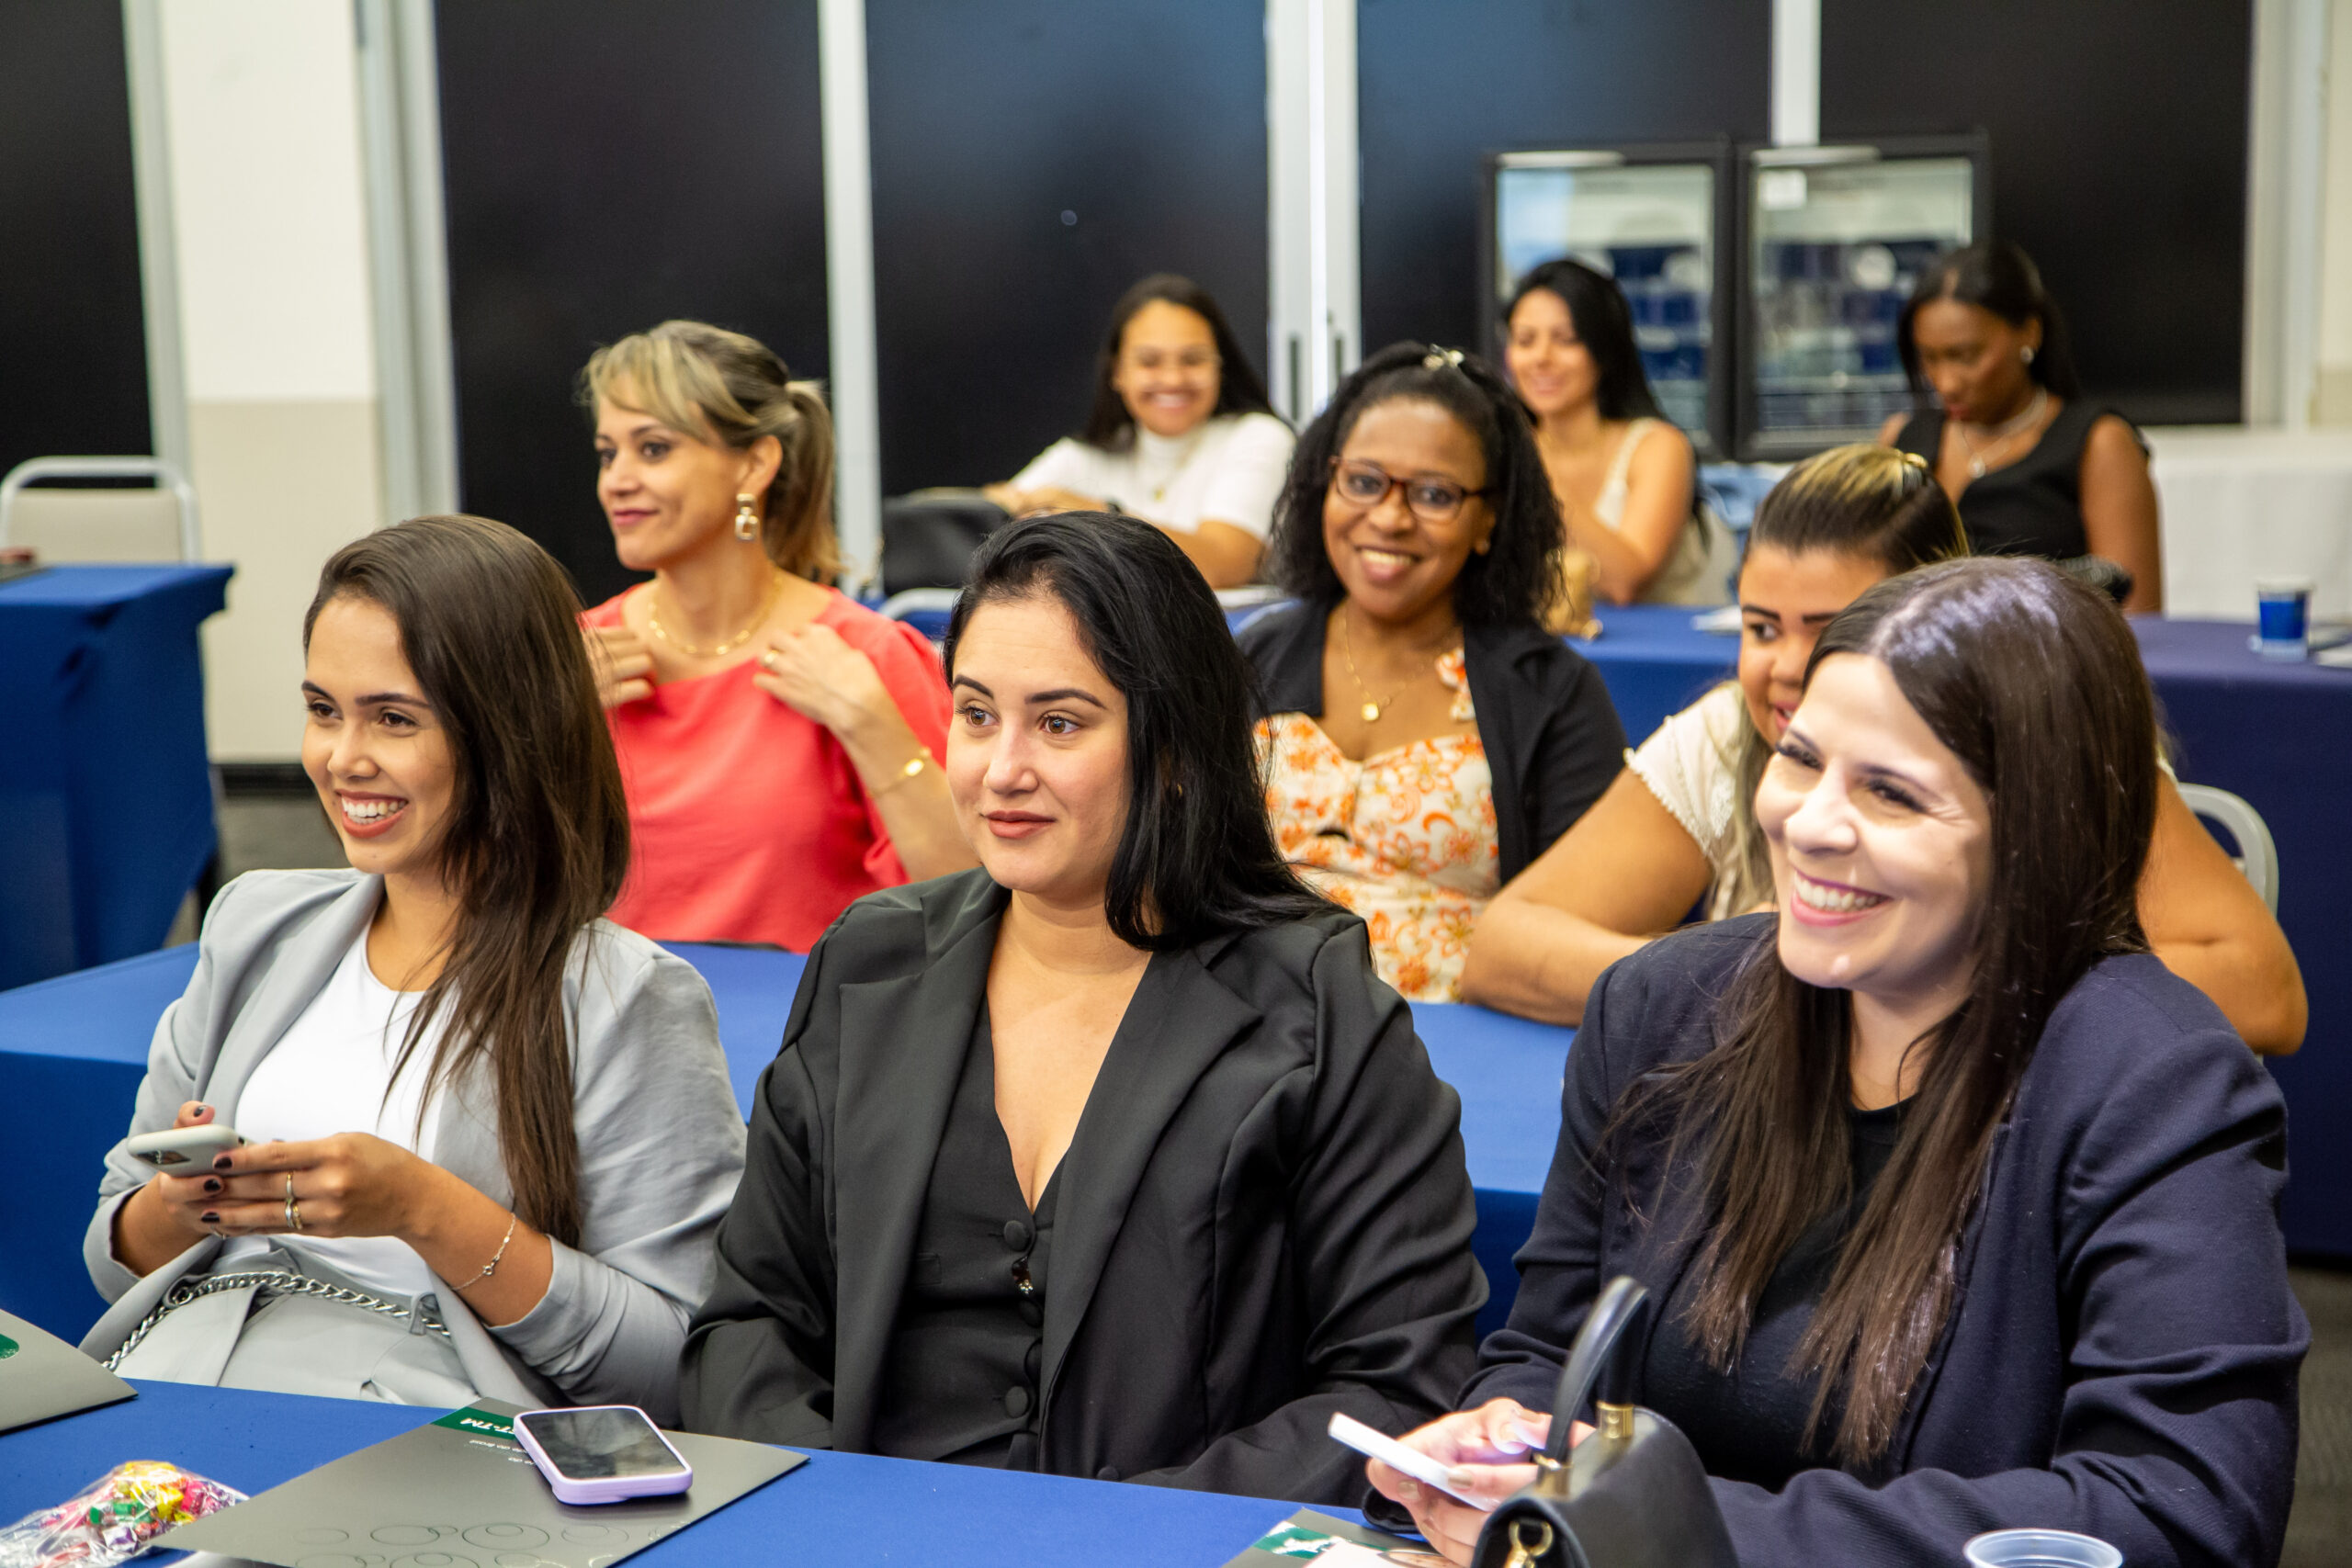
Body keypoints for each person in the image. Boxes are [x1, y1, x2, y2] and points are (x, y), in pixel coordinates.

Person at [1372, 558, 2305, 1568]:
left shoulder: (2154, 1084)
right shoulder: (1659, 1010)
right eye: (1798, 758)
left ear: (2038, 830)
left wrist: (1659, 1528)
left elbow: (2175, 1514)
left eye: (1893, 794)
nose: (1809, 823)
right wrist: (1500, 1441)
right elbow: (1549, 1355)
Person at [679, 513, 1486, 1503]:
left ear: (1178, 748)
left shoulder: (1317, 1013)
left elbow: (1400, 1387)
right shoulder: (867, 960)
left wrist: (1125, 1543)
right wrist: (832, 1516)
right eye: (975, 715)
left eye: (1058, 723)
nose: (1000, 770)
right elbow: (749, 1322)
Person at [83, 516, 745, 1421]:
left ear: (507, 731)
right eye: (323, 710)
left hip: (422, 1429)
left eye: (393, 719)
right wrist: (185, 1203)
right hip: (181, 1385)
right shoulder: (256, 923)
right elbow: (112, 1245)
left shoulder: (626, 997)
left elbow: (672, 1361)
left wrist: (424, 1208)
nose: (342, 758)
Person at [1460, 444, 2305, 1054]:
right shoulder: (1728, 730)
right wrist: (1754, 967)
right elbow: (1507, 947)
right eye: (1760, 628)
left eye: (1833, 632)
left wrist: (1927, 976)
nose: (1788, 670)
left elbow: (2264, 992)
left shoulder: (2053, 734)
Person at [1239, 343, 1626, 1002]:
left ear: (1488, 519)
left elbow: (1585, 923)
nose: (1389, 517)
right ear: (1324, 485)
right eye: (1363, 481)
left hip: (1456, 1046)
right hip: (1250, 1025)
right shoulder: (1259, 652)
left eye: (1434, 494)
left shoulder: (1552, 693)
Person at [581, 320, 970, 952]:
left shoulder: (863, 654)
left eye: (653, 449)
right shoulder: (576, 656)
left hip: (807, 1040)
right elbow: (481, 892)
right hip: (616, 1038)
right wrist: (540, 729)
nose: (617, 479)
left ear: (755, 464)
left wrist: (874, 726)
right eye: (608, 452)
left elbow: (973, 901)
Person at [1879, 240, 2163, 613]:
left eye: (1966, 356)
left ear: (2029, 333)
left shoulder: (2098, 443)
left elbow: (2137, 620)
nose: (1945, 382)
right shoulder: (1901, 439)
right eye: (1929, 359)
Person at [982, 274, 1293, 589]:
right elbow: (988, 523)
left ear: (1220, 368)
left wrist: (1098, 515)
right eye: (1149, 362)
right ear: (1117, 372)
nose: (1172, 379)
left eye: (1193, 360)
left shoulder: (1260, 437)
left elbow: (1222, 565)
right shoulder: (1084, 455)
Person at [1501, 259, 1726, 608]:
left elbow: (1625, 580)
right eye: (1525, 340)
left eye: (1565, 340)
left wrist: (1530, 476)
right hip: (1542, 650)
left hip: (1657, 654)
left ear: (1604, 350)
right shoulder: (1501, 445)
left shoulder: (1659, 447)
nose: (1541, 358)